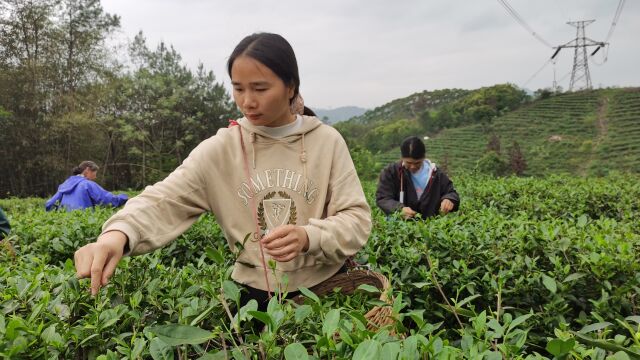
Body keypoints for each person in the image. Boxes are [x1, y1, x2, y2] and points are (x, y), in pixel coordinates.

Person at [73, 33, 372, 312]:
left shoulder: (326, 141)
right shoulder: (222, 148)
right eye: (238, 88)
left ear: (291, 86)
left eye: (260, 88)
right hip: (254, 297)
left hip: (327, 289)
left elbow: (356, 220)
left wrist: (309, 237)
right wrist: (116, 235)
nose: (247, 101)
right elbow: (163, 199)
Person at [376, 136, 459, 219]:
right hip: (400, 226)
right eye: (409, 162)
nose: (412, 166)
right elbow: (383, 198)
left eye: (417, 163)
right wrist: (399, 209)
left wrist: (449, 199)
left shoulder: (436, 173)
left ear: (424, 157)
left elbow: (451, 192)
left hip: (431, 225)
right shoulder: (391, 172)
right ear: (402, 158)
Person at [45, 161, 128, 211]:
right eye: (95, 173)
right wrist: (124, 198)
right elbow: (106, 199)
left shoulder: (64, 185)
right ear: (87, 170)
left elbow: (49, 204)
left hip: (66, 224)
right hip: (83, 223)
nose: (95, 177)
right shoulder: (87, 184)